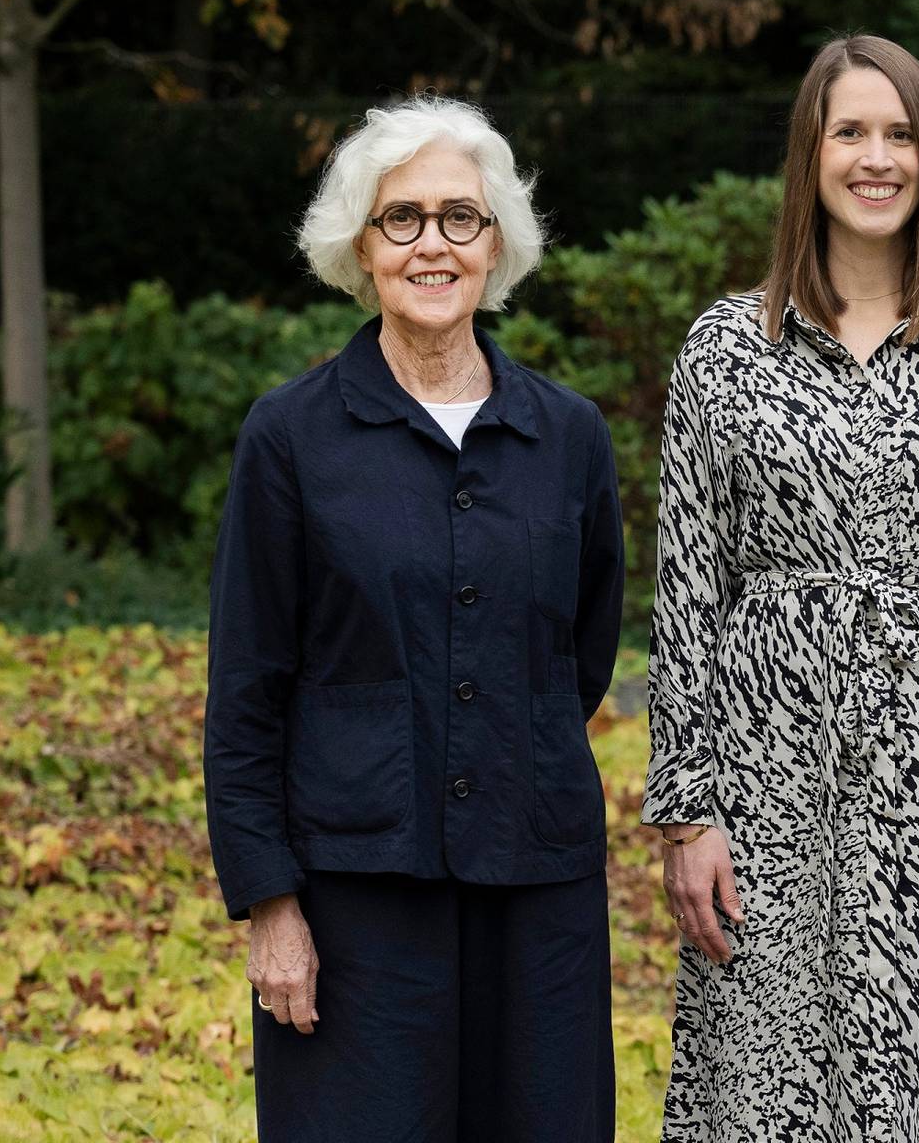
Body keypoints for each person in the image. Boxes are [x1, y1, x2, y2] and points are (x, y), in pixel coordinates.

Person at [640, 33, 919, 1142]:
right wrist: (686, 807)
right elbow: (686, 586)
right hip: (772, 772)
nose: (874, 157)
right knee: (772, 1073)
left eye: (899, 134)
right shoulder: (725, 348)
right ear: (810, 155)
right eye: (850, 132)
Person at [203, 95, 625, 1140]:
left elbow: (582, 649)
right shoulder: (292, 435)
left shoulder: (566, 435)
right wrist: (269, 902)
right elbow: (248, 686)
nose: (432, 243)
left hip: (536, 889)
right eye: (403, 219)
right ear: (362, 245)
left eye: (459, 218)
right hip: (354, 904)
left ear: (497, 246)